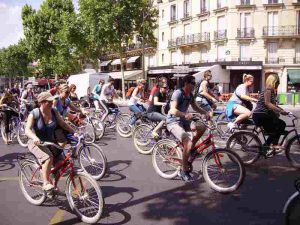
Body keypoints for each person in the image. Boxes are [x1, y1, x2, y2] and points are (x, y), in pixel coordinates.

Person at [25, 92, 75, 192]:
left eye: (52, 100)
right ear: (41, 103)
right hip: (35, 142)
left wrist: (74, 132)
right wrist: (34, 138)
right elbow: (27, 130)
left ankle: (53, 186)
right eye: (49, 101)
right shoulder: (34, 113)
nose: (52, 102)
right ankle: (46, 183)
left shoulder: (54, 111)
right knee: (48, 157)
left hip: (50, 142)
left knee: (60, 163)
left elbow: (62, 124)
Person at [167, 75, 210, 181]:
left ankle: (190, 150)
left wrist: (205, 112)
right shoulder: (178, 93)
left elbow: (195, 107)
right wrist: (184, 114)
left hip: (184, 121)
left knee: (202, 127)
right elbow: (172, 110)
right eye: (192, 83)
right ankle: (183, 170)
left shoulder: (190, 94)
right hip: (173, 122)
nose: (194, 85)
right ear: (186, 83)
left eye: (195, 83)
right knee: (188, 143)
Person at [252, 74, 288, 152]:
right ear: (274, 82)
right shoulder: (268, 90)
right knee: (277, 128)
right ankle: (267, 146)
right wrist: (280, 111)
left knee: (281, 124)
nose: (278, 84)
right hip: (260, 115)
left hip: (263, 115)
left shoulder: (271, 91)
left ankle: (271, 145)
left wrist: (283, 111)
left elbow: (274, 105)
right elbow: (267, 103)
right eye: (277, 82)